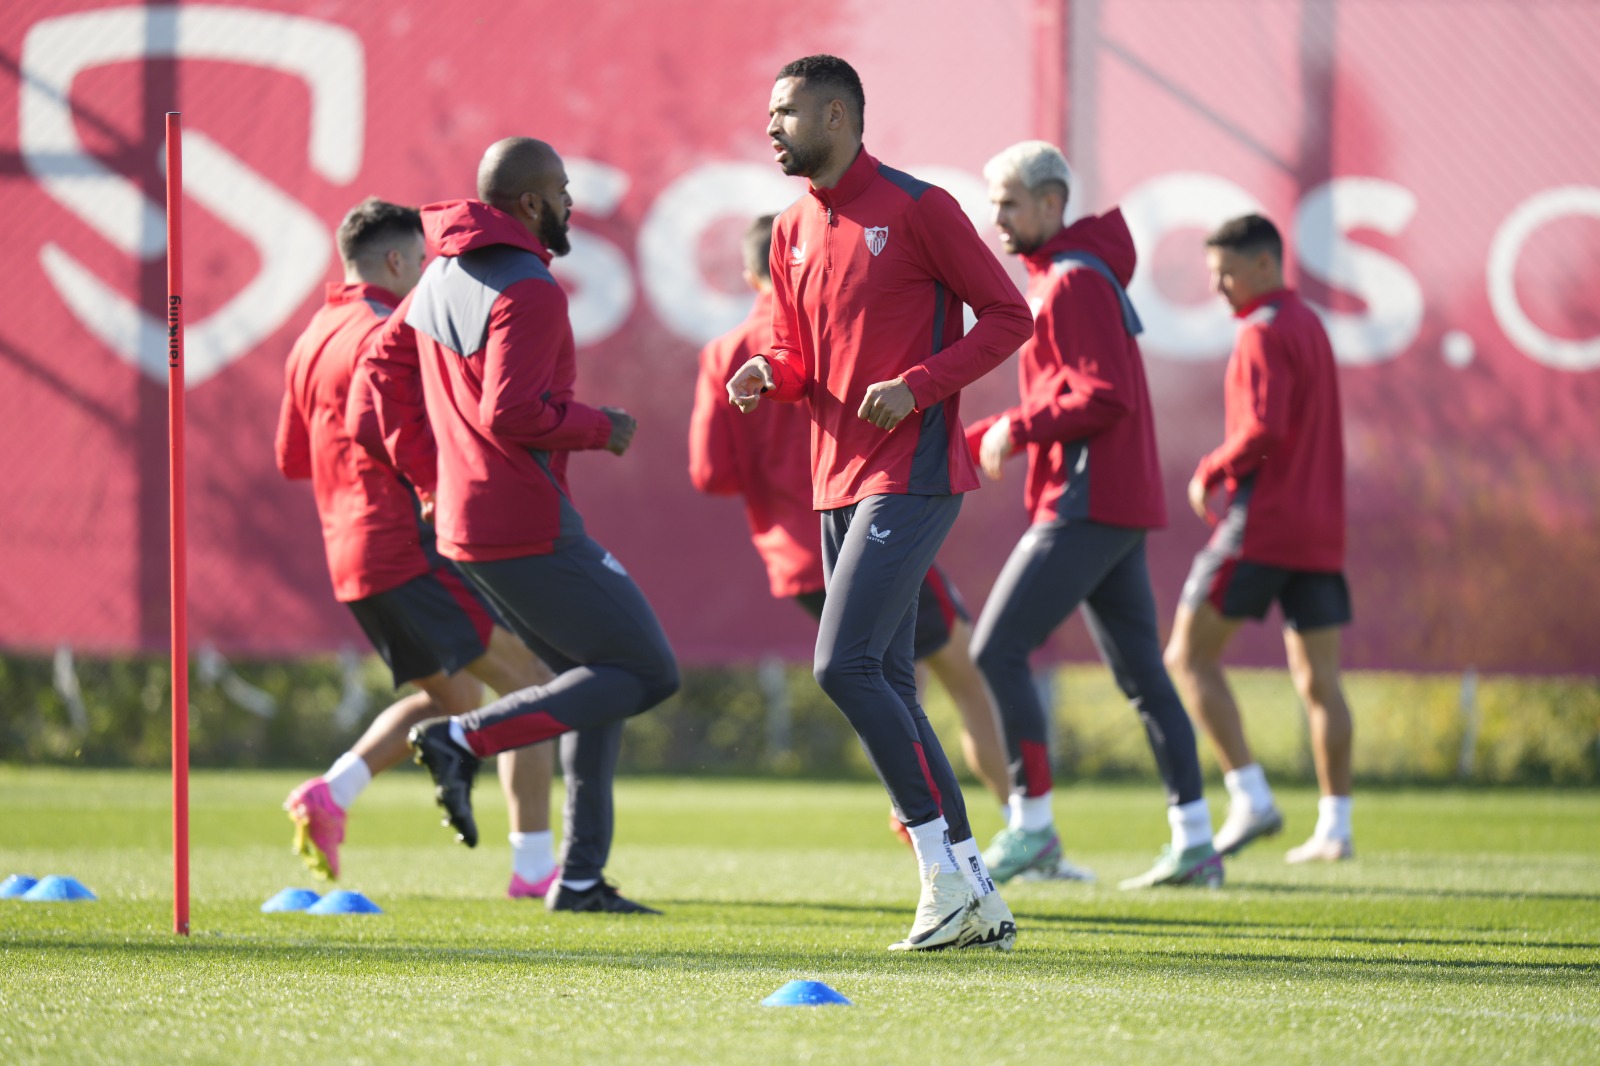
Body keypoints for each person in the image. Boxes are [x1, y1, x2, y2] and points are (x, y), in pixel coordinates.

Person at [728, 55, 1033, 951]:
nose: (772, 126)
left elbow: (1008, 318)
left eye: (786, 112)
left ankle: (940, 874)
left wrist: (919, 386)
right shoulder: (788, 228)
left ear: (836, 115)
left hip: (915, 471)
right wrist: (767, 373)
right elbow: (797, 353)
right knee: (888, 678)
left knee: (843, 667)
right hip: (834, 479)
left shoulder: (920, 208)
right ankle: (975, 890)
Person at [363, 138, 680, 914]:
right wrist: (596, 425)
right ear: (533, 203)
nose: (572, 203)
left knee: (597, 679)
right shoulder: (532, 288)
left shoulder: (441, 272)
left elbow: (380, 369)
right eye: (564, 190)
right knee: (649, 671)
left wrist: (432, 478)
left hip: (467, 522)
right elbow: (510, 413)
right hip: (522, 522)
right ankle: (459, 739)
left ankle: (577, 878)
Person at [273, 197, 561, 899]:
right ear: (398, 261)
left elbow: (291, 458)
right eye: (425, 262)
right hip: (407, 544)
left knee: (460, 698)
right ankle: (534, 867)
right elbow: (392, 431)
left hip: (351, 557)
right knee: (531, 686)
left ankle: (332, 793)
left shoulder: (311, 337)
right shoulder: (382, 331)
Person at [687, 214, 1012, 829]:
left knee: (872, 681)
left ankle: (916, 812)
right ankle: (1014, 825)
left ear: (749, 272)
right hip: (869, 517)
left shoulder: (724, 355)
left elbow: (711, 474)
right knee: (954, 677)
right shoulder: (830, 331)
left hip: (798, 559)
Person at [965, 142, 1221, 891]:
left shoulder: (1072, 281)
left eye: (1009, 203)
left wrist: (1017, 429)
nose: (997, 217)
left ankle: (1034, 829)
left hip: (1084, 503)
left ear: (1051, 204)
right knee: (1143, 675)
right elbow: (1076, 394)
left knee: (996, 651)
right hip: (1108, 501)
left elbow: (1101, 394)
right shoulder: (1065, 277)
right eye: (994, 202)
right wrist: (990, 432)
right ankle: (1196, 841)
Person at [1163, 213, 1355, 864]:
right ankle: (1336, 826)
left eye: (1225, 273)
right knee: (1320, 682)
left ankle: (1250, 794)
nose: (1219, 287)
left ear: (1265, 265)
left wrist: (1211, 468)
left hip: (1265, 524)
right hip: (1321, 532)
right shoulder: (1311, 325)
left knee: (1186, 658)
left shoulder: (1262, 330)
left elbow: (1265, 430)